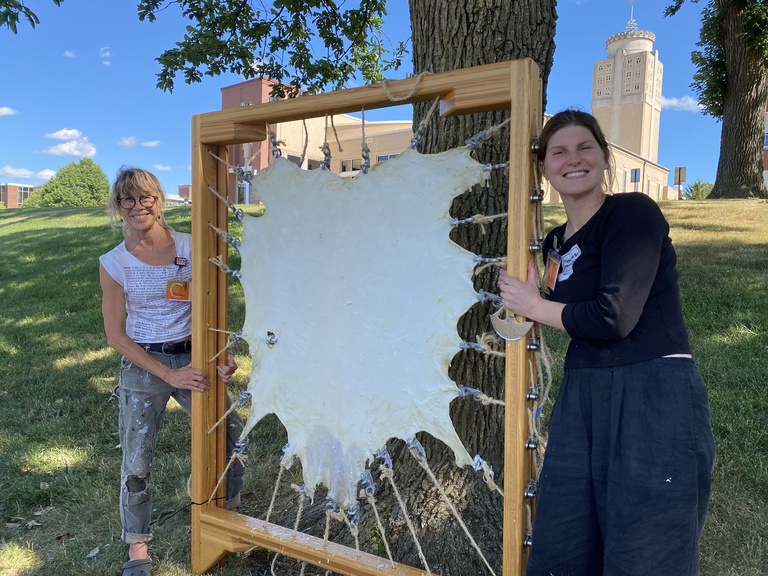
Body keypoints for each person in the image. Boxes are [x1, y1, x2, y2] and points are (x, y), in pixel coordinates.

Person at [498, 110, 715, 576]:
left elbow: (613, 316)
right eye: (558, 151)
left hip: (652, 392)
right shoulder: (554, 243)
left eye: (584, 148)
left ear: (604, 158)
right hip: (584, 395)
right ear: (542, 167)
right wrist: (535, 295)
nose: (572, 159)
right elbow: (565, 305)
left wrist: (535, 306)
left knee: (647, 545)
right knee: (565, 540)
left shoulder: (633, 213)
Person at [99, 167, 245, 576]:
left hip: (193, 356)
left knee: (233, 436)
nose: (138, 206)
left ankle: (229, 516)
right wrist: (170, 375)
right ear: (118, 208)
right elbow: (116, 336)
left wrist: (221, 353)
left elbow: (211, 307)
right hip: (142, 364)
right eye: (128, 199)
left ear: (159, 201)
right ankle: (138, 547)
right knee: (137, 459)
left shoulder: (192, 246)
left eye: (145, 197)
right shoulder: (113, 263)